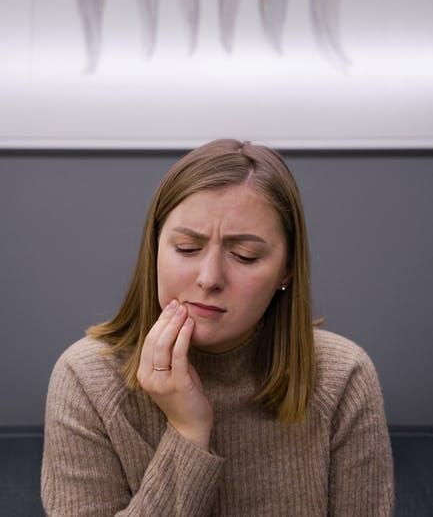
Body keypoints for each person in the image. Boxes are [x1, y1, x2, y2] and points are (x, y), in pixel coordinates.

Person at [41, 138, 394, 516]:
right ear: (155, 250)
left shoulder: (342, 376)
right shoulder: (85, 379)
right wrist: (187, 433)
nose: (209, 278)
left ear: (286, 270)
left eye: (245, 256)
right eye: (187, 249)